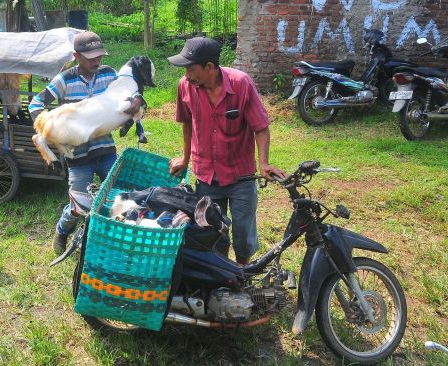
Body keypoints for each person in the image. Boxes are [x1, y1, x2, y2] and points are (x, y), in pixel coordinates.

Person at [167, 37, 286, 265]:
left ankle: (242, 272)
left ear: (209, 67)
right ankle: (222, 274)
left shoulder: (241, 84)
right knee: (212, 231)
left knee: (243, 231)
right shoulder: (185, 86)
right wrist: (184, 158)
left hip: (240, 174)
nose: (186, 75)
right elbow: (186, 123)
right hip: (206, 175)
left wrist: (264, 163)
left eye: (191, 69)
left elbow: (260, 128)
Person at [29, 31, 144, 254]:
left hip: (106, 149)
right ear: (76, 56)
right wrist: (49, 129)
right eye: (90, 56)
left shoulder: (110, 75)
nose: (96, 60)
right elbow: (35, 104)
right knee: (78, 205)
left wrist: (136, 102)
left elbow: (132, 96)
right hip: (78, 156)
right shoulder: (64, 80)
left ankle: (111, 244)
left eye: (99, 55)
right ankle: (63, 232)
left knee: (116, 195)